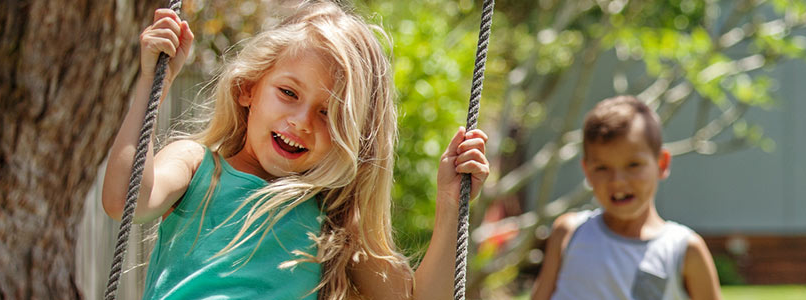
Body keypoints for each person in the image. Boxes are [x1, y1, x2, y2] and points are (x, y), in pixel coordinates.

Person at [101, 2, 488, 299]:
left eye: (328, 113)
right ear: (247, 88)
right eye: (288, 93)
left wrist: (450, 203)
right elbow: (125, 200)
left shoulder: (333, 223)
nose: (302, 121)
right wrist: (153, 84)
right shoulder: (196, 166)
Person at [531, 96, 722, 300]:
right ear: (587, 171)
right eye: (602, 168)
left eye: (633, 165)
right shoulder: (569, 233)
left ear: (662, 163)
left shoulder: (684, 250)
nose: (618, 181)